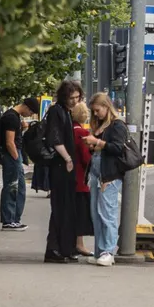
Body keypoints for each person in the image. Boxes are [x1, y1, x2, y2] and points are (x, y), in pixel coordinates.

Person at [84, 92, 128, 267]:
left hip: (109, 175)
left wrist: (98, 142)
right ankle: (99, 251)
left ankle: (107, 251)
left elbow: (118, 148)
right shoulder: (101, 126)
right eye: (93, 111)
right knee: (96, 214)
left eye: (97, 110)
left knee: (106, 213)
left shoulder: (116, 126)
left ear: (106, 107)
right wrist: (93, 145)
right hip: (97, 173)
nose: (95, 114)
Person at [44, 81, 83, 263]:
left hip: (63, 165)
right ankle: (55, 248)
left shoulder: (63, 111)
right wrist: (67, 159)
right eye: (72, 97)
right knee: (61, 207)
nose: (75, 101)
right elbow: (55, 138)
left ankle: (63, 247)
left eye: (77, 97)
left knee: (65, 207)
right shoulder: (57, 111)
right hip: (61, 165)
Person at [0, 98, 36, 230]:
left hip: (13, 154)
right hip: (12, 155)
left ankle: (13, 218)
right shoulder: (11, 118)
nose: (30, 115)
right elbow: (9, 142)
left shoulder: (13, 117)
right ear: (26, 107)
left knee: (18, 187)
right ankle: (9, 219)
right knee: (13, 187)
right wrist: (16, 158)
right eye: (31, 112)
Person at [71, 103, 95, 257]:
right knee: (80, 214)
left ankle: (73, 243)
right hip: (81, 179)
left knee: (71, 212)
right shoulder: (82, 132)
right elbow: (87, 159)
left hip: (69, 176)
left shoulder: (68, 131)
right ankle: (79, 244)